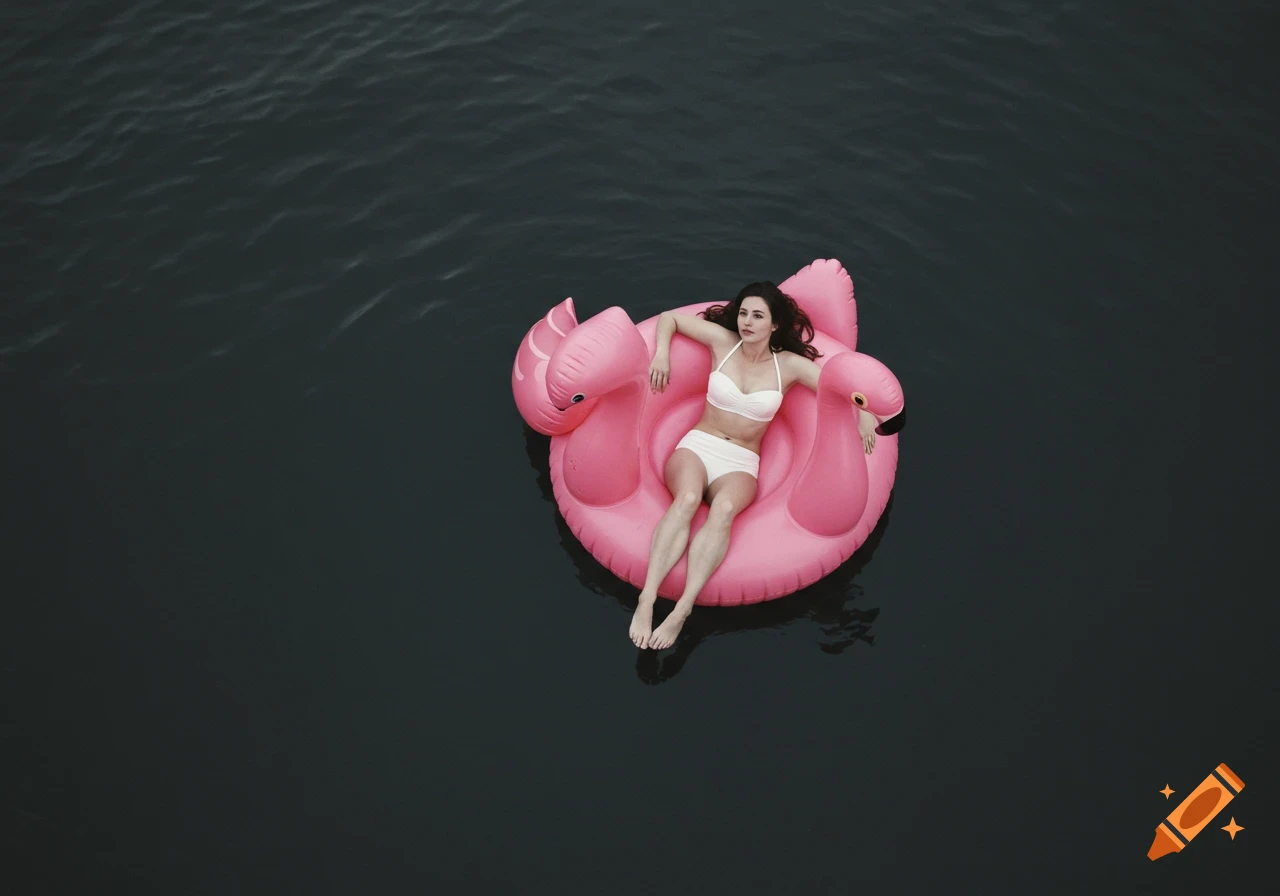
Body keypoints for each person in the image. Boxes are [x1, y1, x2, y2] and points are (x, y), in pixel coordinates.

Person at [629, 282, 881, 650]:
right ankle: (647, 599)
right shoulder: (723, 342)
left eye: (757, 316)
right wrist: (662, 354)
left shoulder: (789, 366)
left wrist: (864, 416)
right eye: (744, 313)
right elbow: (670, 320)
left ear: (775, 324)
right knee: (685, 499)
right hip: (699, 445)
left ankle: (682, 609)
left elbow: (838, 386)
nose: (747, 321)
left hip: (742, 460)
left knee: (725, 508)